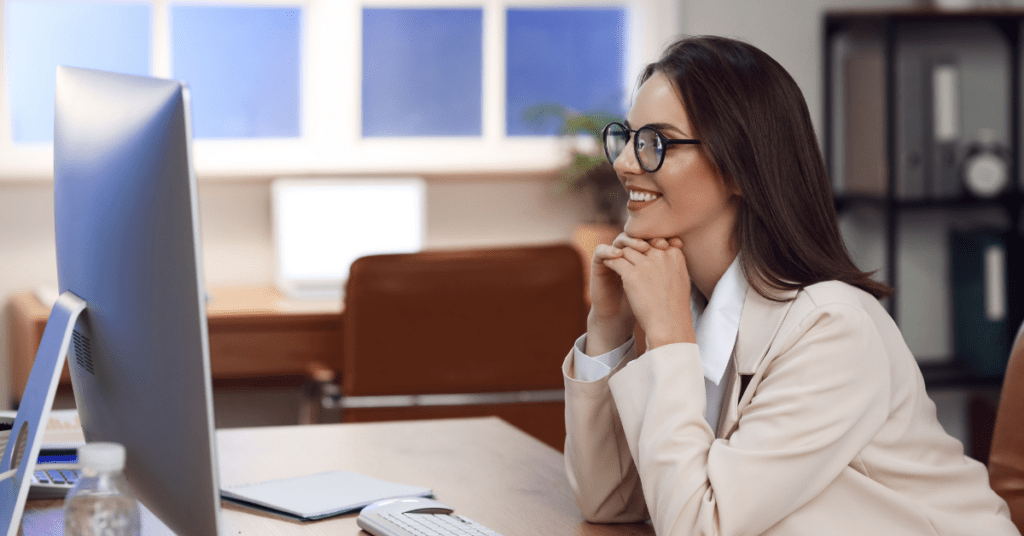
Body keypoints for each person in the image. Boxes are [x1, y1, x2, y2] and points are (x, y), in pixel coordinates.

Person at [562, 35, 1019, 536]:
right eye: (626, 138)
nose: (626, 162)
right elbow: (610, 502)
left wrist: (670, 338)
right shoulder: (695, 301)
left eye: (656, 143)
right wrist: (609, 329)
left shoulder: (832, 328)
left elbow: (699, 528)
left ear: (740, 166)